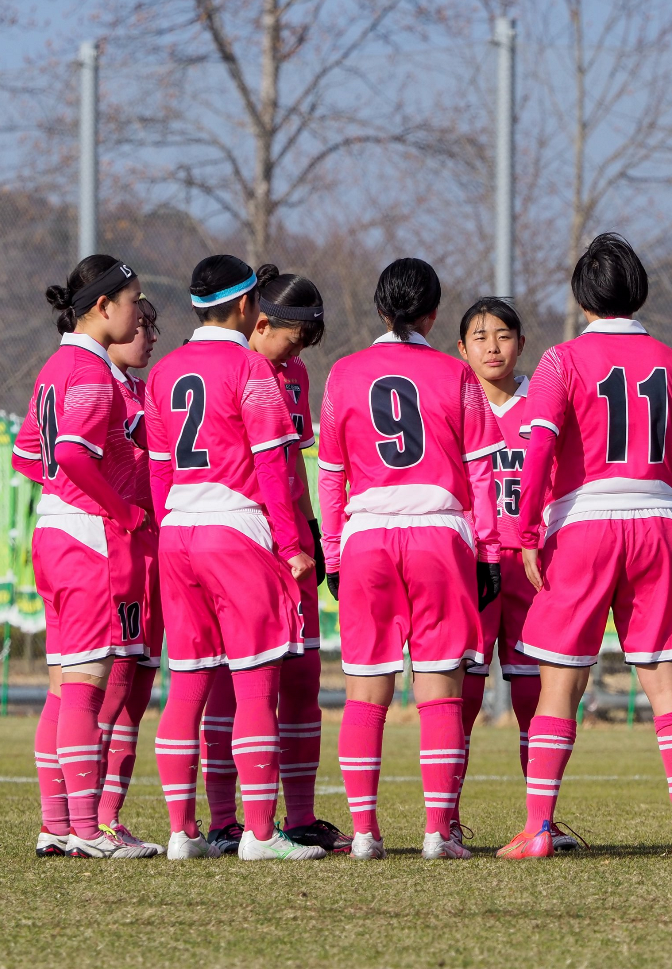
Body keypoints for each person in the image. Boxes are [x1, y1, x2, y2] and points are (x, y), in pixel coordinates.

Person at [497, 233, 672, 860]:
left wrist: (527, 531)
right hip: (655, 524)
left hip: (585, 524)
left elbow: (537, 447)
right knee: (666, 678)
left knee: (560, 684)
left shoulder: (560, 361)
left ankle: (538, 828)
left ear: (580, 295)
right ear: (640, 291)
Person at [317, 257, 503, 861]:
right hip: (439, 537)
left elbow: (331, 474)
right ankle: (437, 832)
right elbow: (482, 474)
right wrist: (490, 550)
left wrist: (334, 554)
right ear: (432, 313)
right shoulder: (458, 376)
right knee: (439, 688)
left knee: (365, 692)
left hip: (367, 536)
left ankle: (366, 834)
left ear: (379, 309)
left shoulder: (343, 373)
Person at [145, 254, 326, 861]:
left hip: (179, 533)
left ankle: (181, 833)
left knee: (188, 687)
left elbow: (159, 468)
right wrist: (296, 545)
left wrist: (168, 529)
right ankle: (261, 834)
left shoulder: (165, 370)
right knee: (254, 687)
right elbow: (275, 466)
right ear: (249, 305)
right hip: (238, 533)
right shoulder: (252, 368)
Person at [12, 255, 152, 858]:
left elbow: (26, 454)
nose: (136, 313)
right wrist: (120, 510)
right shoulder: (93, 371)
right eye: (132, 301)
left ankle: (57, 824)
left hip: (53, 533)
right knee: (88, 689)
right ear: (103, 307)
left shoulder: (56, 364)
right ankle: (88, 829)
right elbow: (69, 455)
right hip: (89, 536)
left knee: (64, 687)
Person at [454, 297, 577, 851]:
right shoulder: (453, 404)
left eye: (502, 335)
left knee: (536, 695)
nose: (491, 347)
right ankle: (446, 819)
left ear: (521, 343)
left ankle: (540, 820)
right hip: (473, 568)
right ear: (461, 349)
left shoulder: (544, 402)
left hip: (534, 568)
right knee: (462, 698)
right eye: (479, 337)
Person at [249, 265, 350, 853]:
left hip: (295, 538)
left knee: (304, 676)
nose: (296, 354)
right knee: (244, 685)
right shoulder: (236, 371)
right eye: (293, 339)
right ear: (260, 322)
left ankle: (302, 815)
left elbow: (293, 469)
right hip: (249, 540)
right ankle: (226, 820)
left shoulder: (296, 374)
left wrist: (312, 534)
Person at [93, 293, 165, 856]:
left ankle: (111, 815)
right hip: (115, 552)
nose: (150, 336)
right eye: (143, 325)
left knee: (138, 688)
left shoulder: (146, 389)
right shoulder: (94, 386)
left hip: (157, 550)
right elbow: (36, 456)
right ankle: (83, 818)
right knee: (110, 685)